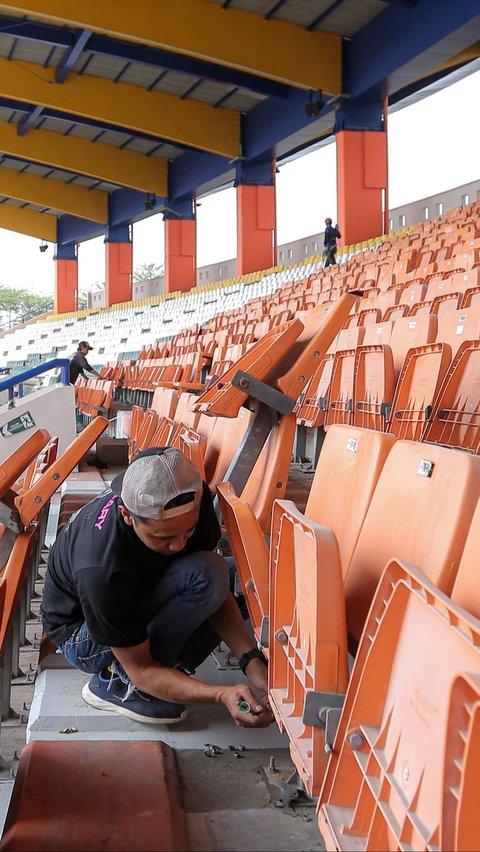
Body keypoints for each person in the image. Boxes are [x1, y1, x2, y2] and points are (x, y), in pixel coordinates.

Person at [41, 447, 273, 729]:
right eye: (164, 537)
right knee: (207, 572)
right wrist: (219, 694)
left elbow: (216, 590)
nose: (179, 545)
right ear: (127, 515)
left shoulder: (189, 498)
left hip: (130, 592)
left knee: (230, 574)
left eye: (187, 532)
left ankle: (169, 673)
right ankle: (117, 683)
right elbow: (141, 670)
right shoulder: (102, 569)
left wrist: (251, 662)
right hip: (81, 633)